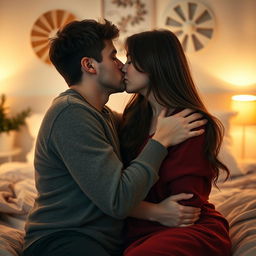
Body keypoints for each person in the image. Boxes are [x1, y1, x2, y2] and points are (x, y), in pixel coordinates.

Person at [22, 20, 206, 256]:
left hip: (101, 240)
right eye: (114, 56)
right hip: (65, 239)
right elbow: (118, 199)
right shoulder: (70, 114)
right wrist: (160, 140)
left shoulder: (104, 116)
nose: (121, 66)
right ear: (89, 65)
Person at [120, 29, 232, 256]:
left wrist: (129, 209)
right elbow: (114, 188)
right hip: (141, 227)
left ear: (154, 64)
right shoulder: (133, 117)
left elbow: (185, 210)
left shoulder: (191, 123)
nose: (123, 67)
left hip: (185, 229)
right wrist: (147, 210)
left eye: (130, 61)